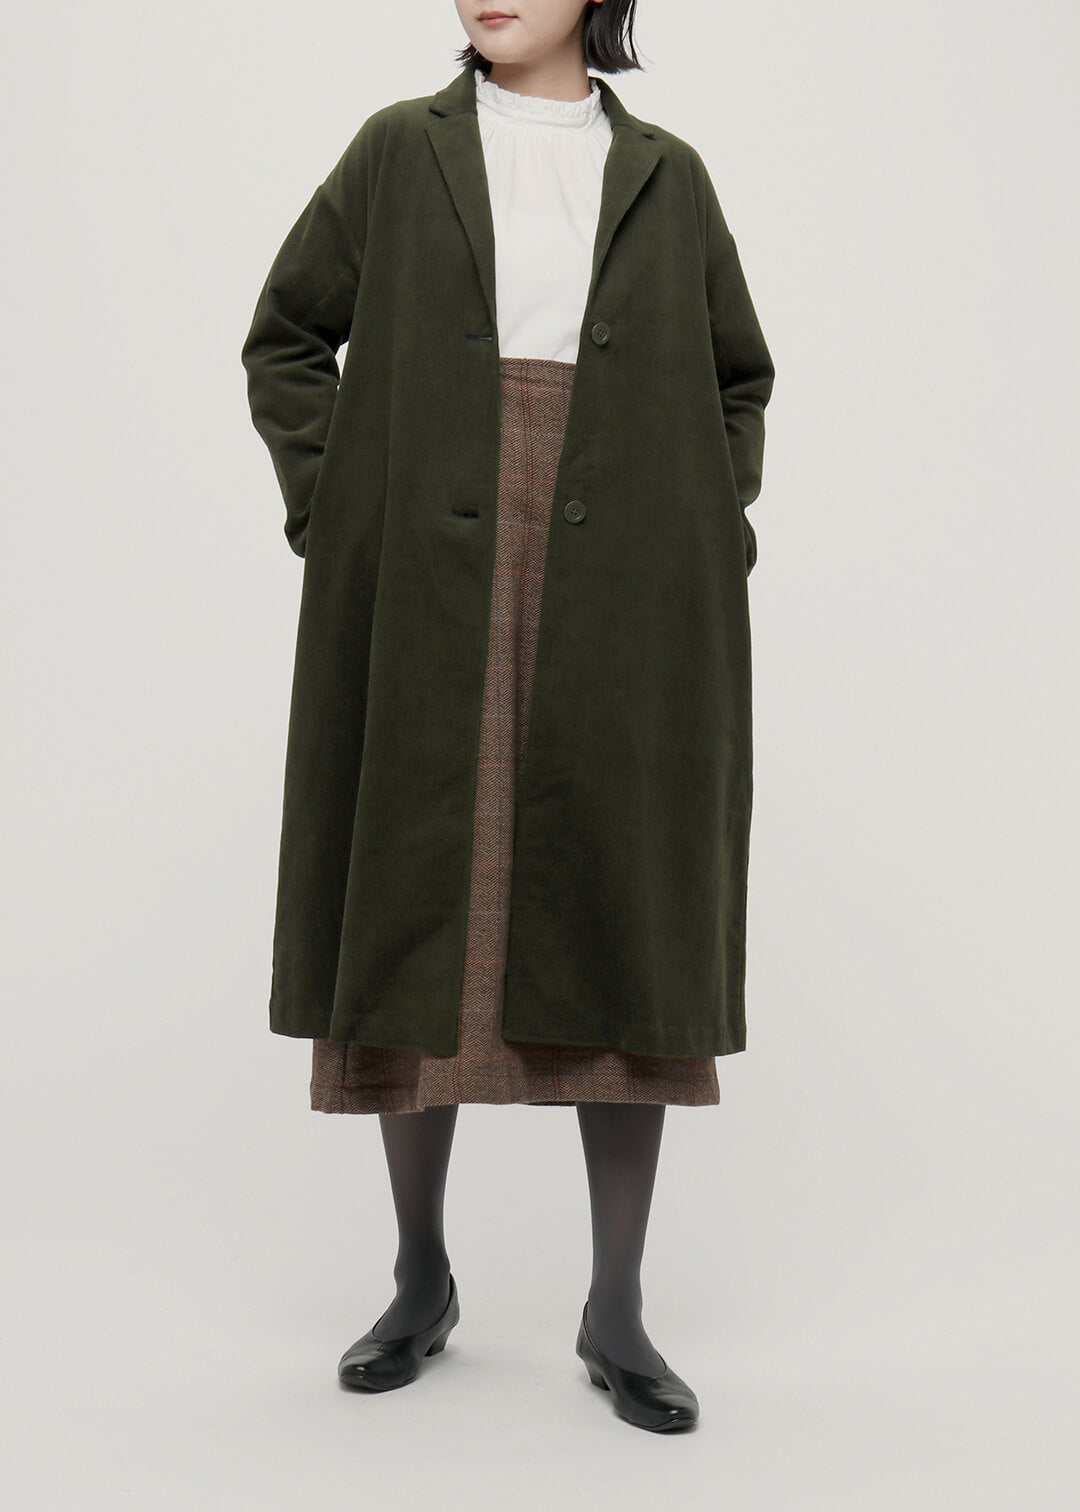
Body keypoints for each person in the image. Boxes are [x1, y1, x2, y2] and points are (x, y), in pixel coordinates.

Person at [241, 0, 774, 1432]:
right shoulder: (395, 152)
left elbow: (738, 376)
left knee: (617, 904)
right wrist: (340, 508)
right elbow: (286, 339)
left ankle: (617, 1307)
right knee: (425, 898)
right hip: (426, 569)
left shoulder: (666, 175)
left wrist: (701, 522)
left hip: (626, 584)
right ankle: (420, 1277)